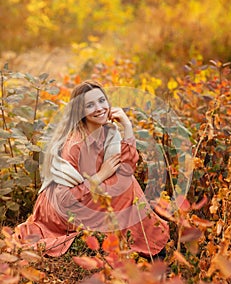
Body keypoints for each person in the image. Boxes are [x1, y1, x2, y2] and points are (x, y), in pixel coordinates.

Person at [16, 81, 169, 257]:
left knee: (125, 183)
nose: (99, 108)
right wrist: (101, 175)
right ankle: (150, 247)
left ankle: (147, 245)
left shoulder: (108, 132)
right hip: (59, 210)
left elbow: (128, 168)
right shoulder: (75, 145)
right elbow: (64, 198)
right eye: (90, 105)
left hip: (86, 195)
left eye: (102, 101)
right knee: (124, 186)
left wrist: (127, 127)